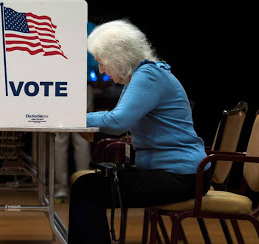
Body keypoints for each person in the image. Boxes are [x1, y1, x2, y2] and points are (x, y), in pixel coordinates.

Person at [67, 19, 212, 243]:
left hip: (183, 176)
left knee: (87, 189)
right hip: (175, 172)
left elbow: (117, 122)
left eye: (102, 61)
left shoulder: (148, 76)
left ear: (118, 55)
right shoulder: (144, 75)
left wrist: (72, 117)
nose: (101, 70)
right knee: (86, 187)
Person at [53, 21, 96, 201]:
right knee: (82, 136)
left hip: (56, 85)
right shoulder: (89, 27)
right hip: (81, 83)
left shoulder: (55, 22)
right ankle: (83, 185)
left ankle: (59, 188)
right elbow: (95, 61)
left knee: (59, 137)